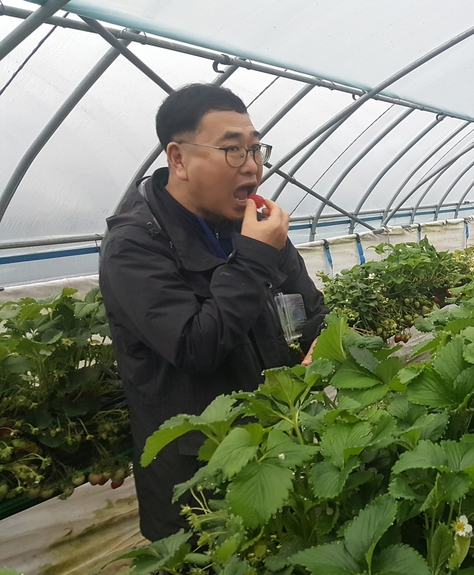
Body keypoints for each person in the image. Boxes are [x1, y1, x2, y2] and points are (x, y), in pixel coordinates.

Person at [99, 84, 329, 541]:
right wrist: (252, 258)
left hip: (278, 450)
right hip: (200, 485)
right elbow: (195, 345)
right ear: (179, 159)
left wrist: (321, 344)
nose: (251, 166)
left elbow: (312, 312)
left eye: (255, 149)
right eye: (231, 150)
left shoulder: (252, 228)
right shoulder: (135, 246)